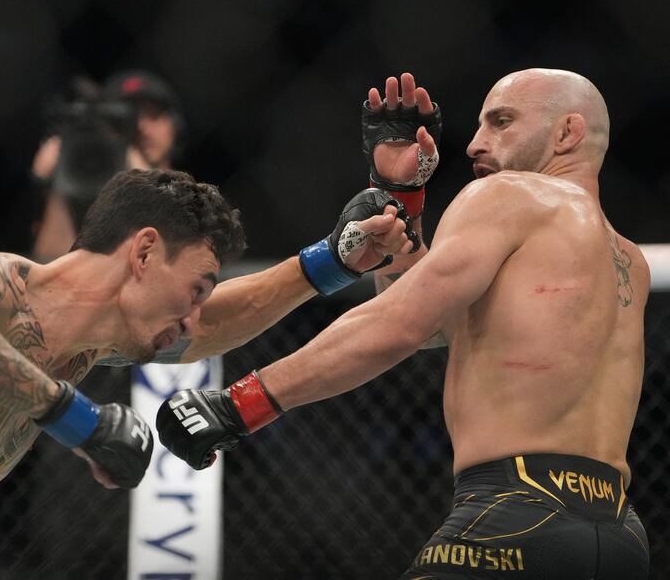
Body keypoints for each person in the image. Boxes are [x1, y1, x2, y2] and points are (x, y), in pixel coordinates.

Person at [157, 70, 652, 578]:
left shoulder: (510, 196)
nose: (476, 144)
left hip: (515, 509)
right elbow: (438, 325)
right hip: (618, 533)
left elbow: (398, 324)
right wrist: (400, 196)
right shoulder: (628, 262)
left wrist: (239, 405)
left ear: (567, 132)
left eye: (502, 122)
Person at [0, 164, 413, 578]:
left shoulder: (82, 352)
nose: (193, 315)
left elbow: (214, 326)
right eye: (196, 289)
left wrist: (329, 264)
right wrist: (75, 418)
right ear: (145, 251)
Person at [32, 70, 183, 262]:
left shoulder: (197, 198)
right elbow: (51, 266)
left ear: (175, 127)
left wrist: (146, 185)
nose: (142, 128)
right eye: (128, 119)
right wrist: (60, 179)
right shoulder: (82, 188)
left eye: (153, 115)